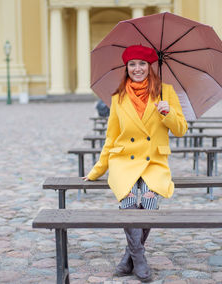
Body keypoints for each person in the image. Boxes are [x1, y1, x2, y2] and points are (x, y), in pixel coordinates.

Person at [83, 45, 187, 282]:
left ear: (150, 66)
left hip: (153, 161)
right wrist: (97, 170)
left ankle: (129, 258)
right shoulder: (118, 98)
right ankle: (139, 258)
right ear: (126, 68)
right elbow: (111, 138)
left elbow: (181, 130)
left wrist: (167, 113)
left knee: (150, 200)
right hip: (124, 160)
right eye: (132, 64)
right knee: (129, 199)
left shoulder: (166, 92)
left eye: (142, 63)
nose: (137, 69)